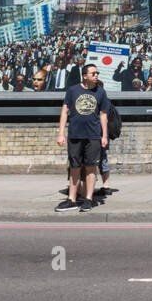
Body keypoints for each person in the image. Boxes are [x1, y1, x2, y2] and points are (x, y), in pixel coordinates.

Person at [55, 64, 109, 213]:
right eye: (93, 73)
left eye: (97, 73)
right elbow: (65, 112)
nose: (96, 75)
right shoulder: (73, 91)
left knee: (91, 167)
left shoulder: (101, 92)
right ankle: (71, 199)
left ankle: (88, 199)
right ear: (85, 76)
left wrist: (104, 136)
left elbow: (103, 115)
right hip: (75, 135)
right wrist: (61, 133)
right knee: (75, 167)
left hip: (93, 136)